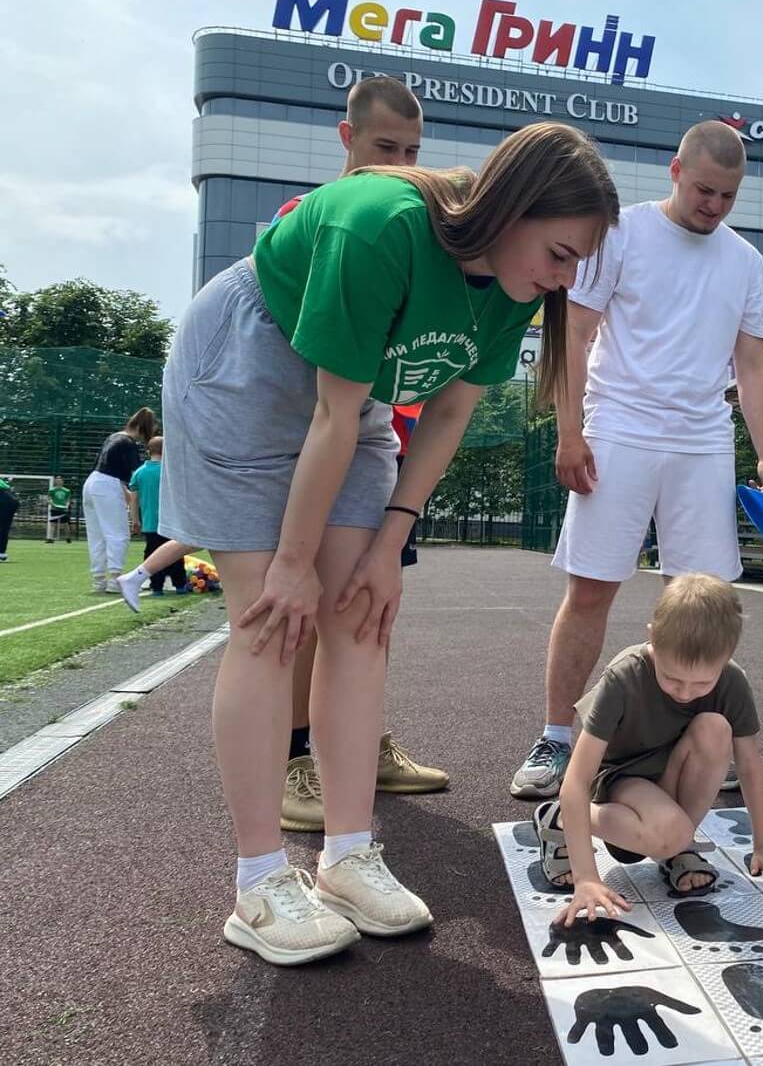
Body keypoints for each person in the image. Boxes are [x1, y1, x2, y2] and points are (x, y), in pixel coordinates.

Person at [159, 120, 619, 966]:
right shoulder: (379, 223)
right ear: (514, 208)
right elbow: (332, 412)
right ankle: (259, 881)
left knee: (363, 615)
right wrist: (294, 564)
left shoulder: (515, 286)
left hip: (352, 404)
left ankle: (346, 854)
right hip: (247, 363)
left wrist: (388, 541)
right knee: (271, 620)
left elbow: (446, 411)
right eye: (560, 253)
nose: (565, 280)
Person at [120, 76, 446, 826]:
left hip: (366, 423)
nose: (398, 163)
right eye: (383, 147)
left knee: (361, 605)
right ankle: (297, 757)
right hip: (286, 422)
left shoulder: (406, 227)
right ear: (347, 139)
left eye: (411, 150)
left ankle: (353, 745)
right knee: (286, 607)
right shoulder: (322, 218)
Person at [511, 120, 763, 802]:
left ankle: (688, 743)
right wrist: (570, 433)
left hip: (702, 437)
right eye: (704, 189)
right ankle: (556, 735)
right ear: (674, 171)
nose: (714, 205)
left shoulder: (745, 260)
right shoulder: (624, 231)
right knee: (593, 587)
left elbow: (752, 364)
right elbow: (572, 330)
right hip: (621, 424)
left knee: (700, 604)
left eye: (728, 194)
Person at [534, 573, 763, 922]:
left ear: (727, 655)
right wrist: (586, 877)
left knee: (715, 728)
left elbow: (749, 766)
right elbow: (576, 779)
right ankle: (558, 819)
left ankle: (675, 847)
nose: (684, 692)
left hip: (668, 775)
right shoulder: (624, 676)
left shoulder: (731, 680)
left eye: (702, 682)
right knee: (671, 831)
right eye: (671, 677)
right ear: (652, 636)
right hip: (620, 781)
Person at [82, 408, 153, 592]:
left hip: (91, 483)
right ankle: (115, 579)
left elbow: (103, 466)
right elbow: (136, 471)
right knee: (118, 534)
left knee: (96, 534)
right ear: (140, 428)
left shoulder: (113, 437)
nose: (141, 439)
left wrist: (124, 491)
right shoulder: (128, 442)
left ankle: (98, 580)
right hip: (107, 485)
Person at [127, 436, 189, 596]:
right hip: (172, 522)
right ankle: (180, 585)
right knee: (175, 554)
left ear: (149, 451)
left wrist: (135, 519)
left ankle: (157, 587)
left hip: (150, 522)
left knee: (152, 553)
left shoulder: (139, 473)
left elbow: (134, 498)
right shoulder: (171, 471)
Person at [46, 477, 74, 544]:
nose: (59, 482)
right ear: (55, 482)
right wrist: (52, 503)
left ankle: (68, 538)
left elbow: (68, 500)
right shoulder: (52, 490)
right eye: (57, 481)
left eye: (60, 481)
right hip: (54, 509)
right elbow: (49, 499)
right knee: (53, 524)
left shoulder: (67, 491)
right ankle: (50, 538)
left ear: (62, 482)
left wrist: (67, 505)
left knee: (65, 524)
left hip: (63, 509)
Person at [0, 475, 17, 562]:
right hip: (12, 501)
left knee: (2, 528)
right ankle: (2, 553)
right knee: (4, 528)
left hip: (5, 501)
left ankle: (1, 553)